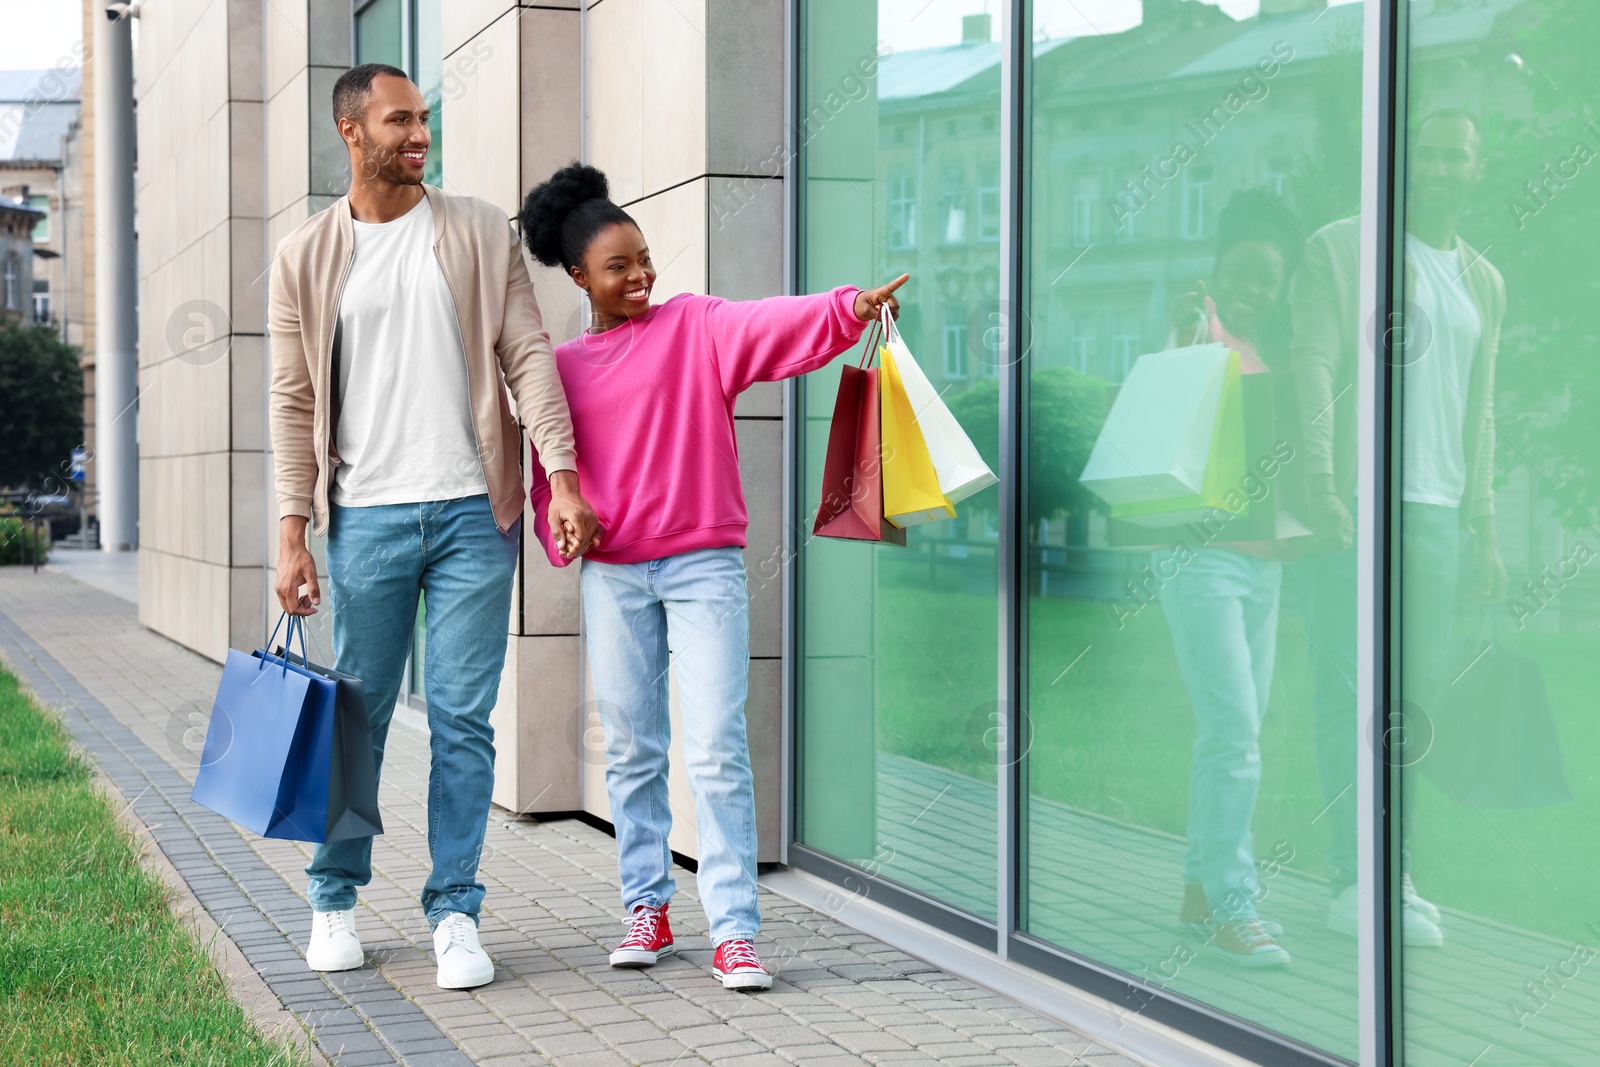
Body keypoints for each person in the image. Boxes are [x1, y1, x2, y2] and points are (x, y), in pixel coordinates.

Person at [519, 162, 906, 991]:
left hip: (703, 570)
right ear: (580, 276)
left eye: (646, 258)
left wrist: (849, 309)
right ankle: (646, 907)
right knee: (629, 746)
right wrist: (566, 529)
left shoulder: (695, 325)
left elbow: (771, 324)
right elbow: (553, 481)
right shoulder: (563, 368)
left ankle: (734, 930)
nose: (641, 276)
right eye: (619, 266)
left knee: (717, 747)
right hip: (615, 576)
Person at [268, 64, 600, 990]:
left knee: (462, 721)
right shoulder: (303, 257)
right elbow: (293, 402)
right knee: (357, 720)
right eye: (399, 119)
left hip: (471, 513)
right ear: (351, 131)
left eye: (425, 119)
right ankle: (333, 898)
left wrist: (561, 479)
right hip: (364, 517)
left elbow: (529, 356)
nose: (419, 134)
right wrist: (292, 532)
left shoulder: (475, 232)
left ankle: (455, 908)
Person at [1289, 108, 1505, 946]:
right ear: (1401, 161)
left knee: (1412, 706)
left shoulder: (1484, 279)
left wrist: (1483, 525)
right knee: (1349, 693)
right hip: (1355, 505)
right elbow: (1313, 364)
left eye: (1459, 153)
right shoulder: (1340, 248)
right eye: (1429, 153)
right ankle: (1355, 877)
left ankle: (1395, 869)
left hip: (1437, 516)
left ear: (1476, 168)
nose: (1442, 167)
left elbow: (1479, 413)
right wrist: (1319, 482)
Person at [1160, 192, 1305, 967]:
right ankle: (1233, 900)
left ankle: (1197, 887)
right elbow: (1176, 382)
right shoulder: (1202, 327)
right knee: (1236, 734)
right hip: (1201, 554)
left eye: (1268, 277)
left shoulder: (1270, 348)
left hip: (1262, 563)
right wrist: (1189, 322)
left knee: (1229, 732)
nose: (1254, 287)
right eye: (1242, 272)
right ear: (1217, 273)